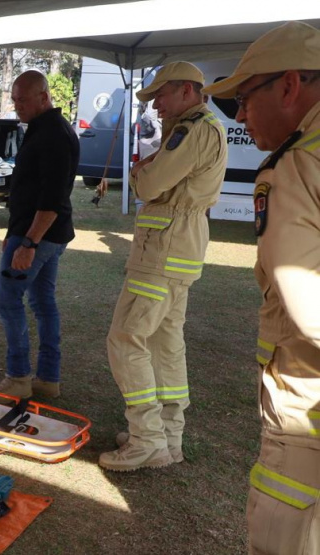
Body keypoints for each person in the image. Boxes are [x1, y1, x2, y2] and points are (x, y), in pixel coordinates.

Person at [202, 21, 320, 552]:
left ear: (290, 85)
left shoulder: (296, 166)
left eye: (245, 98)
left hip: (307, 411)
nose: (241, 116)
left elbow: (310, 310)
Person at [98, 61, 227, 472]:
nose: (156, 107)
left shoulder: (192, 131)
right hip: (180, 249)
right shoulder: (202, 127)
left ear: (188, 91)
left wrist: (140, 172)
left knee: (126, 338)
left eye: (161, 95)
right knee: (165, 343)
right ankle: (169, 437)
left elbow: (151, 184)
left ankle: (147, 439)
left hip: (164, 251)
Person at [0, 70, 79, 400]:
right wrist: (13, 233)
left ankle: (18, 376)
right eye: (14, 99)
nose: (17, 106)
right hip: (39, 233)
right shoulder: (43, 129)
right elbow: (30, 190)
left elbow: (52, 198)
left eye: (23, 99)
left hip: (40, 235)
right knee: (43, 303)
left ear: (44, 97)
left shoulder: (54, 134)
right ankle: (47, 379)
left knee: (6, 299)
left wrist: (28, 242)